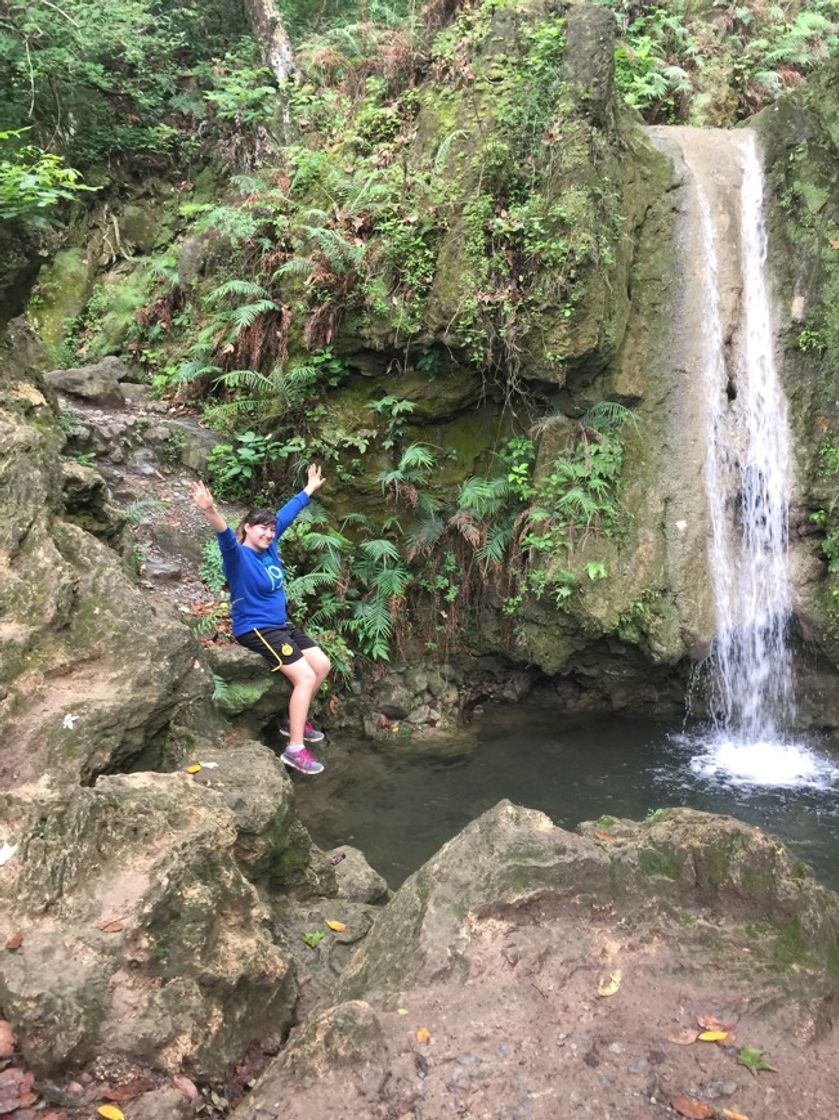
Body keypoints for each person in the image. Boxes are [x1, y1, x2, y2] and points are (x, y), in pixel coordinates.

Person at [192, 464, 331, 775]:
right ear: (247, 529)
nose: (269, 533)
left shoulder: (271, 547)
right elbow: (224, 534)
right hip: (255, 628)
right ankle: (294, 750)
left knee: (321, 664)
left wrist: (309, 489)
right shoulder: (238, 556)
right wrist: (210, 509)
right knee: (305, 677)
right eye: (262, 528)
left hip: (280, 625)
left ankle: (291, 721)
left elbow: (287, 513)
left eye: (271, 528)